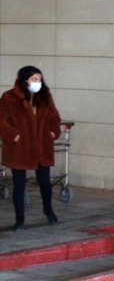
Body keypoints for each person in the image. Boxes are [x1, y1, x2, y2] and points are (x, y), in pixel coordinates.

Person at [0, 66, 62, 232]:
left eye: (39, 79)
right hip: (20, 147)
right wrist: (14, 136)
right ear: (24, 80)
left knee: (44, 181)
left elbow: (54, 117)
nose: (38, 83)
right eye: (34, 79)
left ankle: (48, 211)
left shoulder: (45, 96)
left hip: (42, 145)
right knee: (19, 184)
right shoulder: (9, 98)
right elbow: (2, 121)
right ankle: (20, 219)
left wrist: (53, 132)